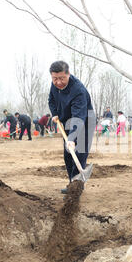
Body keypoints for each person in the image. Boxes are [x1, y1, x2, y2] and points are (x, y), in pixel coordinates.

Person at [48, 60, 96, 194]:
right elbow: (51, 100)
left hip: (84, 122)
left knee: (79, 153)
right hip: (68, 122)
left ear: (68, 74)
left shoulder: (78, 90)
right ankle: (72, 184)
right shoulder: (54, 85)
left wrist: (72, 138)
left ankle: (76, 189)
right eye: (55, 79)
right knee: (68, 156)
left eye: (62, 78)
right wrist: (55, 114)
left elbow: (79, 117)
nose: (58, 82)